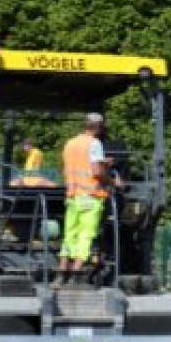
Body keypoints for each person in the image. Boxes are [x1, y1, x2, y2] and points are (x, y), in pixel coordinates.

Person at [58, 113, 111, 285]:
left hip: (72, 196)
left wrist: (103, 163)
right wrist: (111, 179)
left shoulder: (70, 143)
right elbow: (96, 171)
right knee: (85, 236)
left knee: (69, 235)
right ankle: (76, 274)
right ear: (98, 127)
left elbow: (74, 167)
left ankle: (62, 272)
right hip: (90, 196)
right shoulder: (94, 143)